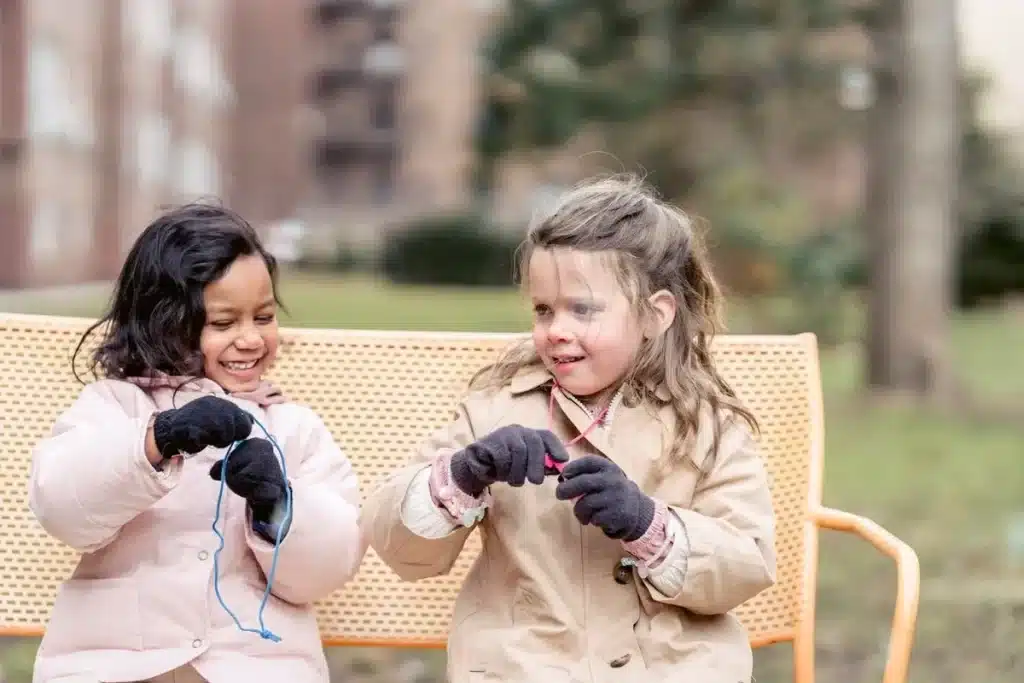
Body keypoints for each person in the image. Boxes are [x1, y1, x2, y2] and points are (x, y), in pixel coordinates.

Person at [362, 175, 776, 683]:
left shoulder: (709, 425)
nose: (556, 329)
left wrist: (649, 524)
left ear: (655, 314)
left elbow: (745, 565)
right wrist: (464, 474)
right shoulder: (496, 408)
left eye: (582, 309)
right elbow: (400, 547)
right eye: (543, 309)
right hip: (527, 667)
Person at [28, 203, 365, 683]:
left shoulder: (293, 429)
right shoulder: (115, 407)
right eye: (224, 323)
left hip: (253, 667)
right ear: (163, 321)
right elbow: (61, 506)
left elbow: (327, 570)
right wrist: (155, 439)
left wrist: (278, 504)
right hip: (117, 664)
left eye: (264, 317)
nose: (250, 339)